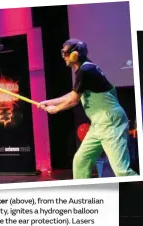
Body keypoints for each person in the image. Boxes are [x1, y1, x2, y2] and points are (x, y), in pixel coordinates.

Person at [38, 38, 137, 179]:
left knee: (122, 171)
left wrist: (55, 109)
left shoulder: (86, 69)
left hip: (110, 122)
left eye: (65, 53)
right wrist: (49, 102)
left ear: (75, 55)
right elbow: (73, 94)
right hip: (98, 124)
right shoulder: (84, 70)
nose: (63, 56)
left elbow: (73, 100)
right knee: (81, 161)